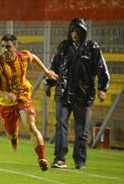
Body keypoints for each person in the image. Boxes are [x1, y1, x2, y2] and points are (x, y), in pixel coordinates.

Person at [44, 18, 110, 169]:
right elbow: (54, 67)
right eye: (73, 31)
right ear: (70, 32)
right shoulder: (63, 47)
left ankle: (80, 161)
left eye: (78, 31)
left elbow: (101, 68)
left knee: (82, 130)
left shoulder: (92, 48)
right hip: (63, 93)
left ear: (84, 32)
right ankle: (59, 159)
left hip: (83, 95)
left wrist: (102, 88)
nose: (75, 34)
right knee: (61, 126)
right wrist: (48, 84)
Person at [0, 34, 58, 171]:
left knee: (30, 126)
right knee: (11, 133)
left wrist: (46, 71)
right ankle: (14, 137)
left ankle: (42, 158)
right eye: (2, 47)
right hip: (6, 102)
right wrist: (4, 94)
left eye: (8, 47)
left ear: (15, 47)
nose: (4, 50)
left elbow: (34, 58)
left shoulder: (23, 57)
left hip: (23, 96)